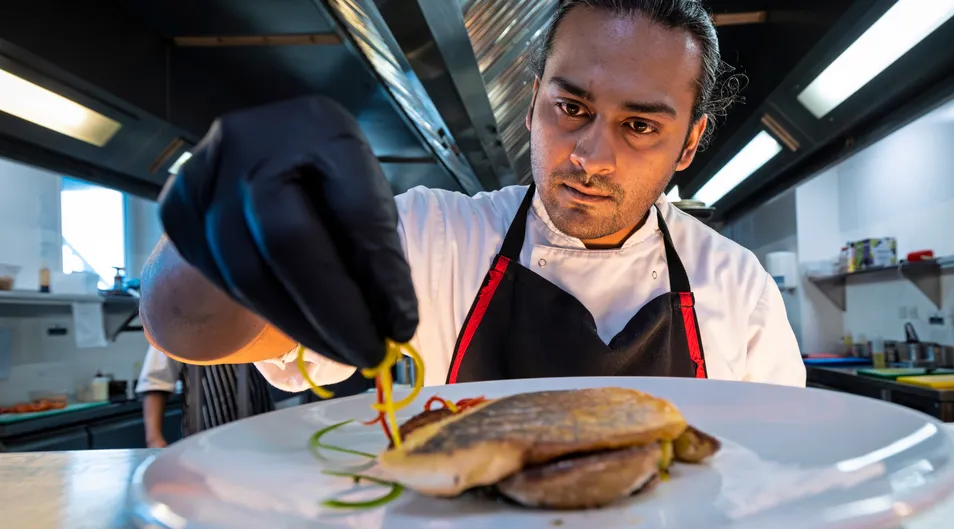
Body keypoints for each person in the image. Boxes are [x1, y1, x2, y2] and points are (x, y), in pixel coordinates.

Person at [140, 0, 805, 391]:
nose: (590, 155)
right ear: (532, 105)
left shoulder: (737, 288)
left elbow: (769, 486)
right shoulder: (434, 237)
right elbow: (192, 327)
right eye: (570, 107)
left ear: (688, 145)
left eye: (639, 126)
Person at [135, 346, 276, 447]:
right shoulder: (178, 325)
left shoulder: (255, 320)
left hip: (262, 442)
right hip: (201, 445)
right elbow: (155, 385)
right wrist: (154, 439)